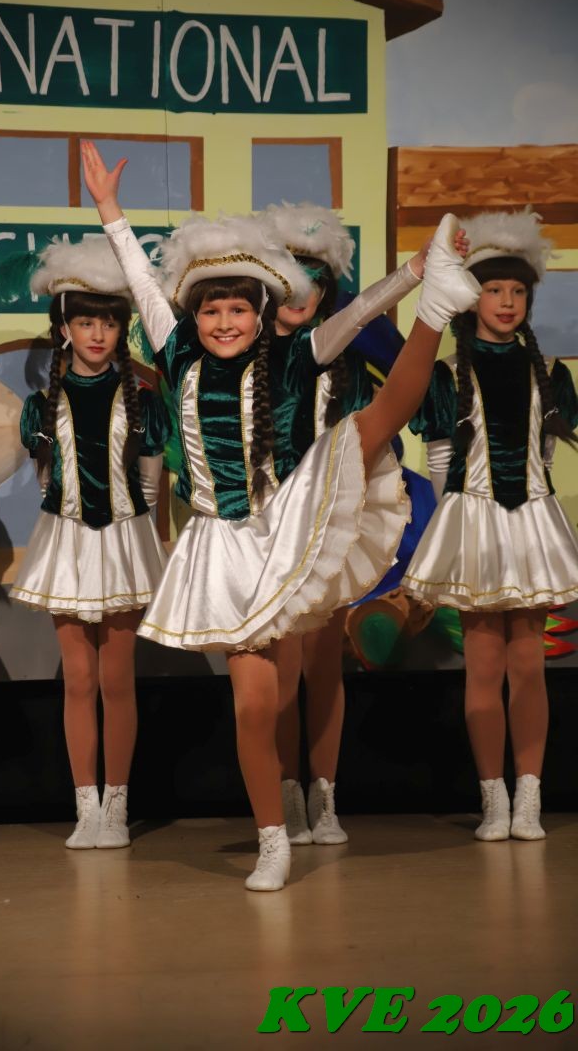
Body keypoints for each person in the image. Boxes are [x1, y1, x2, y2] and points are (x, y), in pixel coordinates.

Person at [83, 139, 478, 889]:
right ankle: (273, 836)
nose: (224, 321)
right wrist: (110, 212)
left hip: (286, 516)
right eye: (212, 310)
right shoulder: (176, 354)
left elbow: (357, 312)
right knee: (254, 706)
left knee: (380, 419)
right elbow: (139, 280)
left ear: (260, 313)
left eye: (238, 309)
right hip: (220, 546)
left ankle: (437, 306)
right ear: (194, 315)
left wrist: (414, 274)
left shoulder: (294, 355)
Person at [402, 210, 578, 841]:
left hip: (528, 524)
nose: (506, 301)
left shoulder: (550, 374)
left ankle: (529, 797)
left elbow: (545, 457)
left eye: (517, 291)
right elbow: (440, 461)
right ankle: (493, 800)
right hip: (473, 525)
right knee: (482, 667)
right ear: (471, 296)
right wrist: (447, 539)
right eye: (493, 289)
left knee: (528, 666)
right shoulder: (448, 373)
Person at [8, 237, 170, 849]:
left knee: (117, 679)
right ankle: (86, 807)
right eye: (85, 323)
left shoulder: (143, 401)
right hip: (68, 542)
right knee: (78, 679)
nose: (97, 334)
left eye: (108, 323)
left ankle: (117, 806)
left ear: (121, 330)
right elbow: (47, 482)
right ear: (64, 330)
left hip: (125, 541)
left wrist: (140, 538)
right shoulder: (40, 406)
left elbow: (150, 485)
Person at [258, 201, 378, 846]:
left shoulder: (345, 368)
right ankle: (285, 797)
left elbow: (366, 450)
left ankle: (325, 796)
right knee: (279, 670)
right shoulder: (242, 359)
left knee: (325, 668)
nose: (302, 293)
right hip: (263, 534)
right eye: (291, 279)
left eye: (315, 282)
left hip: (326, 527)